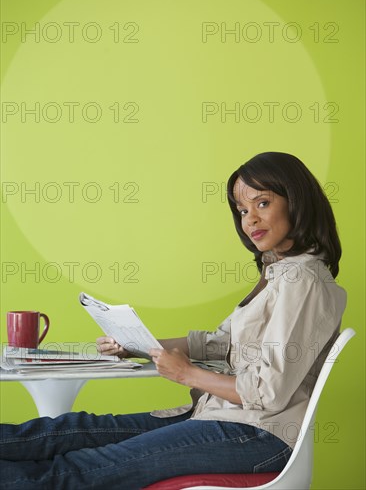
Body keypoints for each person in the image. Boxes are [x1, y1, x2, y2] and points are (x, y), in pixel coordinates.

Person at [0, 152, 347, 489]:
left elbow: (268, 392)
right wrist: (137, 346)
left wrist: (187, 374)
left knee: (77, 469)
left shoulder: (303, 281)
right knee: (70, 431)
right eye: (242, 210)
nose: (249, 220)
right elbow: (219, 343)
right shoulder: (278, 273)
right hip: (217, 417)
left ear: (296, 201)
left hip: (256, 435)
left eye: (262, 203)